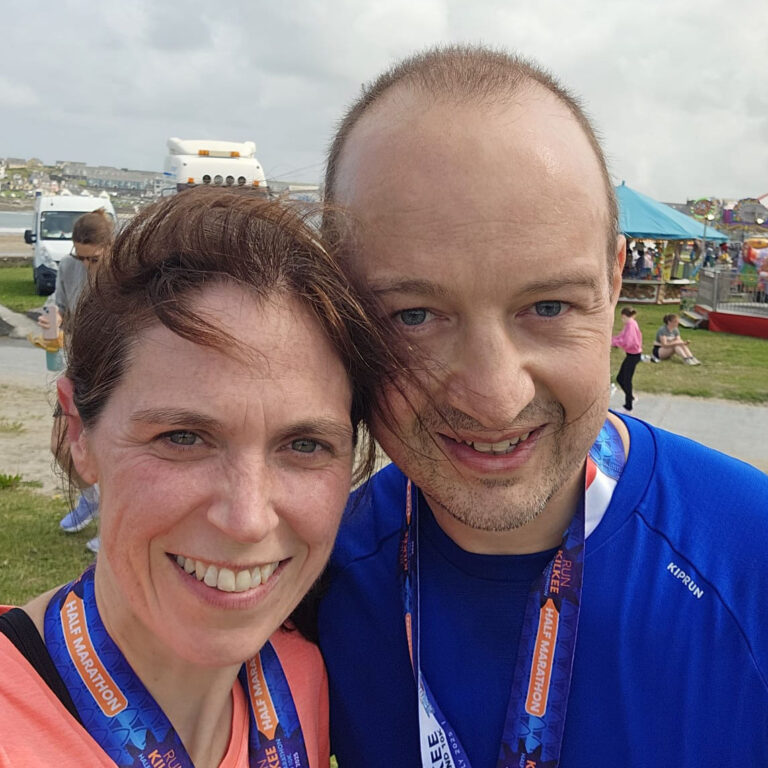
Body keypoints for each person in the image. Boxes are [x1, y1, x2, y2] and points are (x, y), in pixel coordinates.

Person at [317, 45, 768, 767]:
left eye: (548, 305)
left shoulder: (751, 560)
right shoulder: (311, 581)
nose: (497, 398)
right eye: (414, 316)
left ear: (614, 279)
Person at [0, 187, 402, 766]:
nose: (246, 519)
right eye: (182, 438)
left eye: (305, 445)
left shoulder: (303, 679)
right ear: (78, 432)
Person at [38, 208, 115, 551]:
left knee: (110, 451)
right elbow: (59, 307)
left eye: (93, 259)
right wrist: (52, 319)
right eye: (79, 257)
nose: (85, 265)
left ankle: (112, 525)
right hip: (79, 368)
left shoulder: (126, 271)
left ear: (109, 247)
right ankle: (91, 499)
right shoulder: (70, 268)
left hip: (114, 371)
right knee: (60, 445)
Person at [611, 306, 643, 413]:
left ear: (624, 316)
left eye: (622, 318)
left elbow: (627, 341)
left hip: (633, 355)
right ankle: (631, 397)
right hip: (631, 355)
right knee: (620, 378)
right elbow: (622, 336)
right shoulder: (631, 323)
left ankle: (628, 406)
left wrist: (615, 343)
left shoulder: (630, 324)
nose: (622, 320)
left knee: (626, 380)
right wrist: (612, 340)